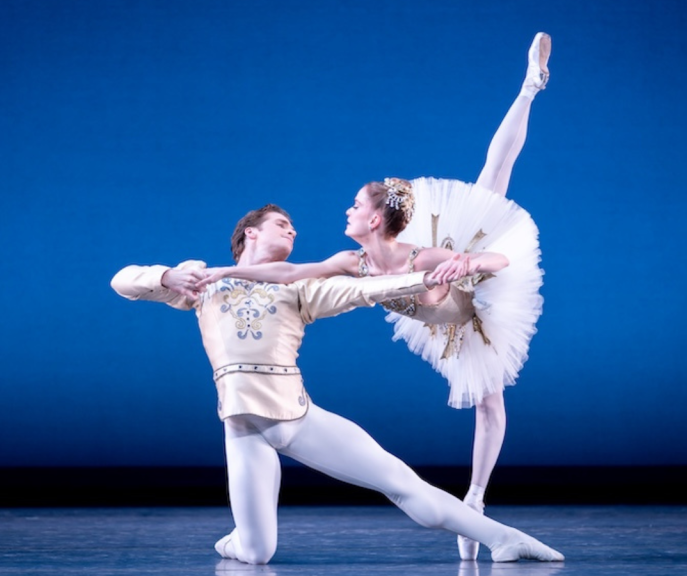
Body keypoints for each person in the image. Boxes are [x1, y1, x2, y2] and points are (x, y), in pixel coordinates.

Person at [194, 33, 552, 560]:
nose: (346, 211)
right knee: (481, 408)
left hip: (470, 296)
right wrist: (220, 270)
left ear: (376, 219)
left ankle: (528, 88)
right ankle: (476, 510)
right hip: (432, 313)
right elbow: (292, 272)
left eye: (356, 206)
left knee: (491, 183)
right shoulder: (350, 261)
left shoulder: (421, 255)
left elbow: (501, 261)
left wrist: (468, 262)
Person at [110, 204, 564, 565]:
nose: (292, 231)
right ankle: (235, 540)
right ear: (250, 233)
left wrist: (423, 279)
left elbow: (361, 290)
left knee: (403, 485)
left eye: (293, 228)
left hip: (298, 419)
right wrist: (167, 276)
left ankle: (505, 538)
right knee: (257, 553)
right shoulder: (203, 285)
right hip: (243, 429)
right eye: (282, 224)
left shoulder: (301, 288)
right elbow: (122, 280)